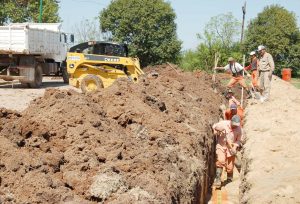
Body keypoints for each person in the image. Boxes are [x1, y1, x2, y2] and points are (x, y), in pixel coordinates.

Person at [212, 115, 242, 188]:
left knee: (230, 167)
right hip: (221, 145)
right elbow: (214, 126)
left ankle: (229, 180)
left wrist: (234, 147)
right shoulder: (224, 123)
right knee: (221, 161)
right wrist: (217, 130)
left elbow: (239, 140)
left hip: (230, 148)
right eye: (234, 125)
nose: (235, 126)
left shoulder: (239, 129)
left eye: (236, 125)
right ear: (231, 121)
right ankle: (218, 179)